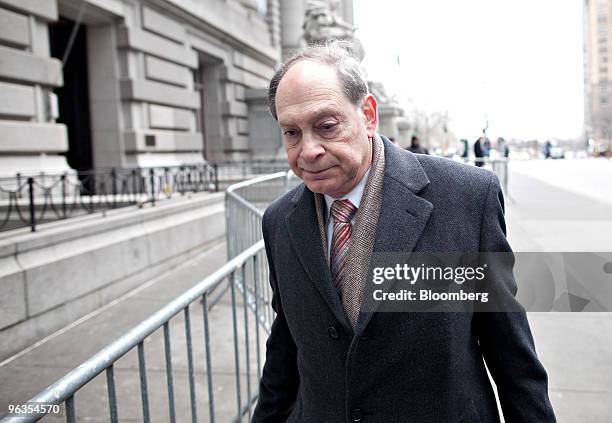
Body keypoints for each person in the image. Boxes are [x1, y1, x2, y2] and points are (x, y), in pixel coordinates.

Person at [252, 41, 556, 423]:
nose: (308, 149)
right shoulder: (279, 221)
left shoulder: (465, 198)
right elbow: (284, 352)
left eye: (326, 126)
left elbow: (511, 355)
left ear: (367, 114)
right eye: (292, 133)